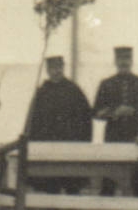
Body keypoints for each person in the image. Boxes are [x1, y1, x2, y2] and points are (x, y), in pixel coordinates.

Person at [25, 56, 93, 195]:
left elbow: (86, 118)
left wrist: (83, 142)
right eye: (53, 68)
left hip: (70, 146)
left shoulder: (73, 90)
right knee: (50, 186)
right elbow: (33, 121)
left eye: (59, 67)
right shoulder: (42, 91)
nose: (56, 71)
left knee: (72, 186)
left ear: (63, 68)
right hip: (47, 145)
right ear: (48, 70)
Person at [92, 46, 138, 196]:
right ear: (115, 61)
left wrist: (135, 112)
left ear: (132, 61)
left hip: (136, 134)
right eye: (120, 59)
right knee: (109, 179)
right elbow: (95, 112)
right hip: (113, 135)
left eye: (127, 59)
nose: (123, 62)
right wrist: (114, 113)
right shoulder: (106, 83)